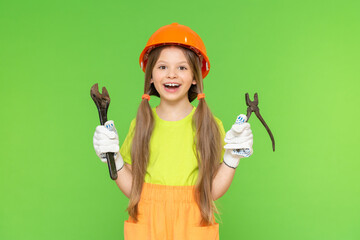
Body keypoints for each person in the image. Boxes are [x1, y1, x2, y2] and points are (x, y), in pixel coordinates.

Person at [93, 23, 253, 240]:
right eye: (162, 67)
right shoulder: (140, 124)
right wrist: (114, 158)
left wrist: (232, 158)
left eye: (182, 68)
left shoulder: (210, 125)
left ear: (195, 77)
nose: (172, 75)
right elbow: (133, 191)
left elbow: (212, 192)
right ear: (150, 76)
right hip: (148, 224)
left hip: (194, 223)